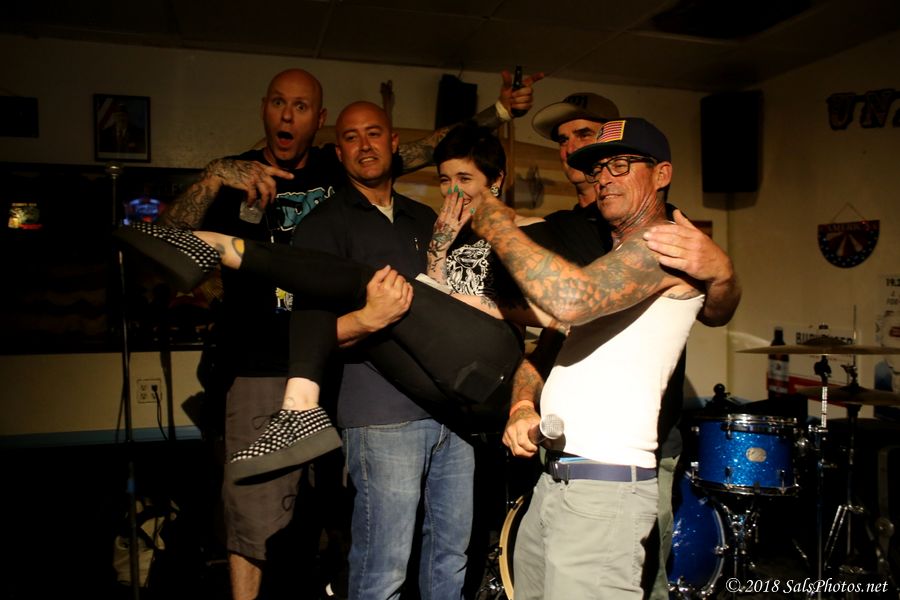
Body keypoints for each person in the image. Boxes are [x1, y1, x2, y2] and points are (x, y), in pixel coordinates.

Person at [155, 67, 541, 600]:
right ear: (337, 150)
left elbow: (443, 159)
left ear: (392, 143)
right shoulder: (319, 216)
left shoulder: (427, 218)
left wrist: (498, 116)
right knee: (371, 563)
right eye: (352, 137)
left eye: (374, 134)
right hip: (363, 404)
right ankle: (230, 253)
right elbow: (311, 321)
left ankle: (234, 256)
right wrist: (368, 318)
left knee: (447, 557)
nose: (364, 146)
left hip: (453, 404)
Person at [507, 92, 740, 600]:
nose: (604, 178)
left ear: (661, 174)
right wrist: (522, 404)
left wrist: (495, 221)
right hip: (556, 476)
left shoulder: (664, 243)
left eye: (620, 165)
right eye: (598, 168)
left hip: (610, 479)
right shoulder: (598, 254)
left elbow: (570, 301)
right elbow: (548, 347)